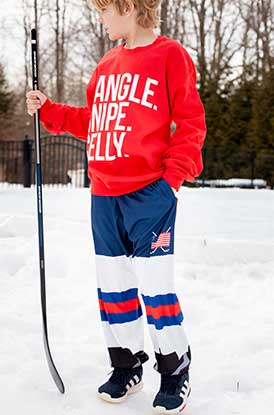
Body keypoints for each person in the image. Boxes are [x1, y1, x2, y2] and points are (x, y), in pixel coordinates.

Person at [26, 0, 206, 412]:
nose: (100, 18)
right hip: (104, 195)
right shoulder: (107, 63)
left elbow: (192, 123)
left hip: (149, 195)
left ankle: (175, 369)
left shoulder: (170, 56)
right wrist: (49, 111)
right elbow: (95, 121)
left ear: (128, 6)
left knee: (155, 288)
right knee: (114, 289)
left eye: (104, 10)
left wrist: (172, 181)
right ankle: (127, 365)